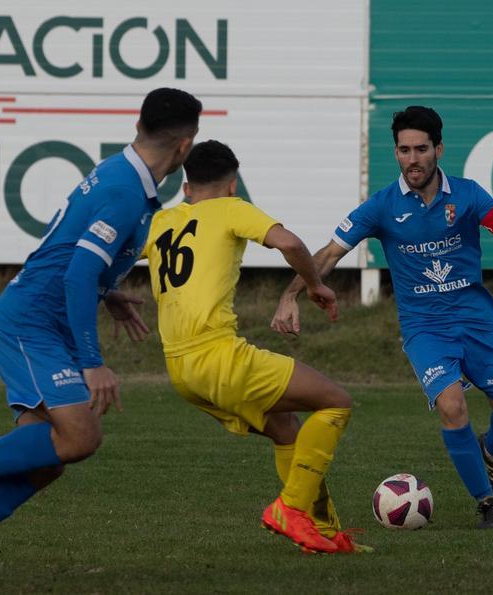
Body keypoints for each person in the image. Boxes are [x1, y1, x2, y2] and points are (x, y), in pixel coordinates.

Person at [0, 88, 203, 586]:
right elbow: (75, 274)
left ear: (139, 125)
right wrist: (92, 360)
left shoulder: (120, 173)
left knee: (46, 461)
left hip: (42, 321)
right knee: (80, 436)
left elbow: (77, 259)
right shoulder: (125, 191)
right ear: (185, 146)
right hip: (32, 323)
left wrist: (110, 293)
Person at [272, 106, 493, 529]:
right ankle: (487, 504)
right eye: (403, 150)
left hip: (478, 321)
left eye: (421, 149)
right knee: (452, 406)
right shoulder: (381, 206)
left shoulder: (468, 195)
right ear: (395, 152)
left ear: (439, 149)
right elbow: (330, 252)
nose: (412, 159)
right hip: (425, 328)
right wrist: (291, 294)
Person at [142, 140, 363, 554]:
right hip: (217, 356)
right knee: (336, 401)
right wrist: (315, 285)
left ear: (186, 188)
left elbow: (114, 257)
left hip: (180, 370)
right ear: (231, 186)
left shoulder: (162, 221)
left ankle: (322, 534)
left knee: (285, 428)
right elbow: (291, 243)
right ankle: (291, 508)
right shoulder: (232, 207)